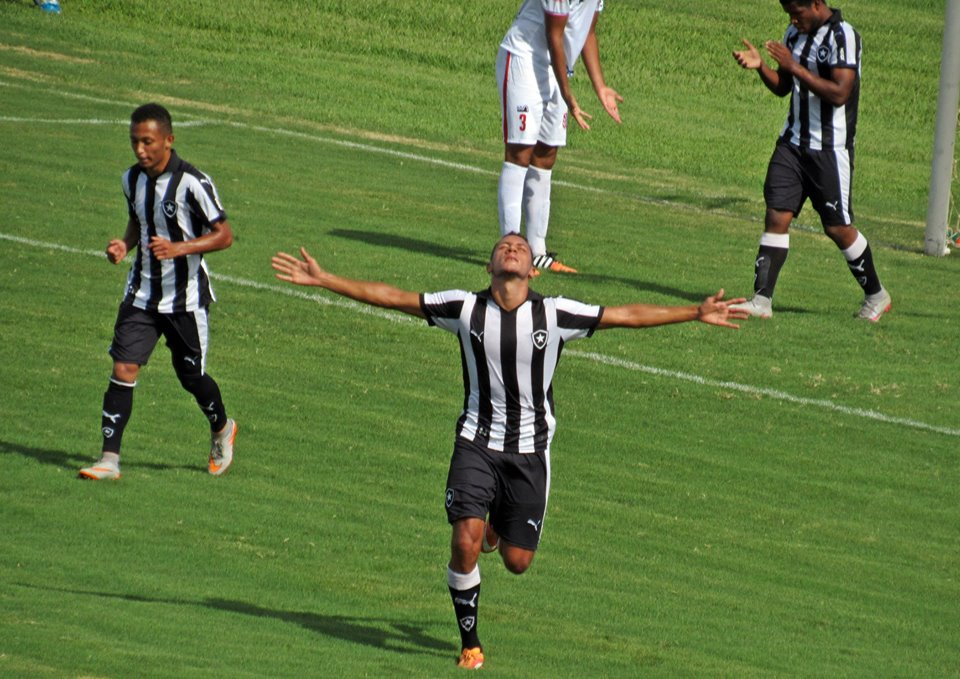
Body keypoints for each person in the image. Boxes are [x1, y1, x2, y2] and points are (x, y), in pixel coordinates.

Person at [271, 233, 747, 669]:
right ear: (489, 265)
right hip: (475, 444)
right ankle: (470, 643)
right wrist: (326, 279)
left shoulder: (555, 314)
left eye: (520, 246)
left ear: (533, 270)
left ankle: (498, 524)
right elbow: (394, 297)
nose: (513, 248)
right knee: (463, 541)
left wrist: (694, 311)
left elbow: (624, 316)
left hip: (529, 454)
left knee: (517, 562)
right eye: (504, 245)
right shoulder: (463, 309)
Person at [79, 103, 237, 480]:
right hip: (142, 294)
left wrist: (179, 248)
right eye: (134, 141)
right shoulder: (130, 180)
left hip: (185, 299)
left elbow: (224, 236)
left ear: (169, 140)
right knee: (123, 366)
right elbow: (138, 221)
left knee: (191, 377)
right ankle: (109, 460)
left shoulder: (193, 183)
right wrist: (124, 244)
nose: (139, 149)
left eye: (147, 141)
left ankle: (222, 429)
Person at [730, 0, 891, 322]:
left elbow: (840, 93)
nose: (792, 19)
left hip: (830, 150)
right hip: (792, 144)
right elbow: (783, 88)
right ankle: (761, 301)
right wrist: (761, 66)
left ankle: (876, 294)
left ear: (816, 4)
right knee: (777, 214)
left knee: (837, 228)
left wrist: (793, 66)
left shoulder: (843, 36)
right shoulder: (794, 33)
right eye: (787, 12)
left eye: (796, 12)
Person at [496, 0, 623, 274]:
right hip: (524, 60)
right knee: (520, 151)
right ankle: (510, 249)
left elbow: (587, 33)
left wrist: (599, 86)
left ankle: (537, 251)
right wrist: (567, 94)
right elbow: (554, 35)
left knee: (546, 153)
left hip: (558, 69)